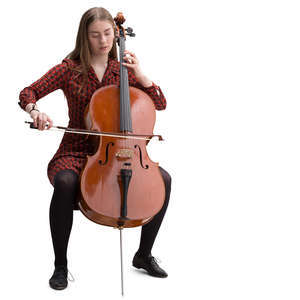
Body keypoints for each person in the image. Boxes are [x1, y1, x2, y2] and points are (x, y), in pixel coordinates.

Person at [18, 7, 171, 290]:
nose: (103, 41)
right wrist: (35, 111)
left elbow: (160, 103)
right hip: (77, 150)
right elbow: (27, 93)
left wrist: (142, 75)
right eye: (95, 35)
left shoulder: (123, 69)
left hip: (122, 150)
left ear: (116, 34)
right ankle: (60, 266)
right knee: (65, 182)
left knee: (163, 179)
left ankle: (143, 255)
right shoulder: (69, 68)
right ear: (84, 37)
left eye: (108, 33)